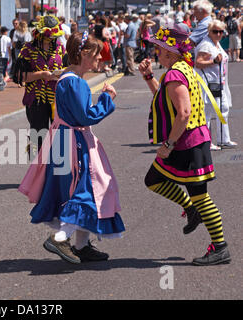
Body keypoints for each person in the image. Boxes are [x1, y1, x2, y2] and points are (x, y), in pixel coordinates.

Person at [19, 31, 124, 264]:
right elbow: (86, 116)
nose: (100, 59)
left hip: (65, 139)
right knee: (84, 190)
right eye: (97, 54)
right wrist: (107, 98)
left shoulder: (69, 77)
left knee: (78, 190)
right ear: (84, 54)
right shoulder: (75, 82)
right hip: (73, 142)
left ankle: (81, 245)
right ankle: (60, 238)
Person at [139, 25, 231, 266]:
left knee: (199, 197)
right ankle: (193, 211)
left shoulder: (175, 73)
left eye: (160, 49)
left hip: (187, 142)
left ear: (171, 53)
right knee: (156, 180)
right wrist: (148, 78)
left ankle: (220, 247)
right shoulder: (182, 69)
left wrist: (168, 144)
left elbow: (184, 113)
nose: (156, 53)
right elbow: (166, 97)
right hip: (192, 140)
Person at [14, 15, 67, 158]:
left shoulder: (60, 48)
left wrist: (61, 74)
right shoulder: (28, 49)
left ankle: (56, 174)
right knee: (38, 136)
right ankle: (38, 173)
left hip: (57, 99)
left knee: (59, 136)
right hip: (36, 99)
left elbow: (68, 70)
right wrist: (42, 74)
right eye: (49, 36)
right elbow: (20, 77)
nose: (51, 39)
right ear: (41, 33)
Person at [195, 20, 237, 149]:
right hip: (208, 84)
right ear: (209, 31)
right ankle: (206, 141)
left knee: (223, 110)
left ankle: (224, 138)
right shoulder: (206, 45)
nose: (218, 34)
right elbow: (198, 63)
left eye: (221, 31)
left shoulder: (216, 44)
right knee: (207, 112)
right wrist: (213, 61)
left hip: (219, 82)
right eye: (215, 31)